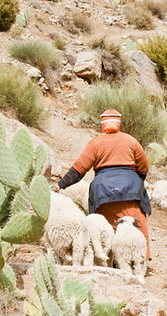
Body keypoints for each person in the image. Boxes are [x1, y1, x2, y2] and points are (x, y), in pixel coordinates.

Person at [52, 109, 152, 260]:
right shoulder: (130, 140)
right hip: (131, 187)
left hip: (103, 191)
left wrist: (61, 185)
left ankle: (108, 257)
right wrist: (137, 181)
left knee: (107, 227)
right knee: (137, 224)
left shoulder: (95, 143)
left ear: (102, 125)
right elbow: (143, 165)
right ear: (119, 123)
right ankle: (142, 257)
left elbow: (79, 169)